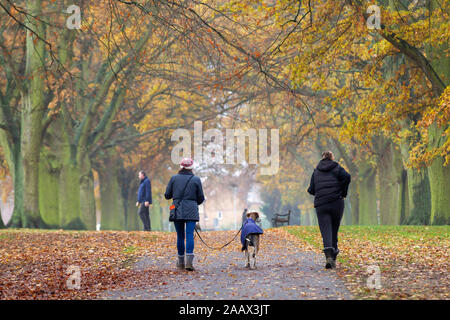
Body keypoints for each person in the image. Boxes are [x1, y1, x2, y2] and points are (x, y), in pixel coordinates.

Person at [307, 151, 351, 269]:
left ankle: (329, 257)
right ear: (332, 158)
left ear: (322, 158)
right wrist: (343, 192)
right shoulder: (337, 168)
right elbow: (347, 177)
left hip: (322, 205)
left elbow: (311, 189)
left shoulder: (316, 171)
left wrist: (318, 192)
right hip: (336, 202)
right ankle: (334, 255)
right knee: (334, 229)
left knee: (326, 230)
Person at [164, 158, 205, 271]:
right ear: (191, 167)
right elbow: (201, 198)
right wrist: (193, 202)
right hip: (191, 209)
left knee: (180, 236)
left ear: (180, 166)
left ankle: (181, 262)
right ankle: (189, 263)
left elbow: (167, 195)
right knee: (189, 235)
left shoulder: (174, 178)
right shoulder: (196, 179)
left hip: (177, 209)